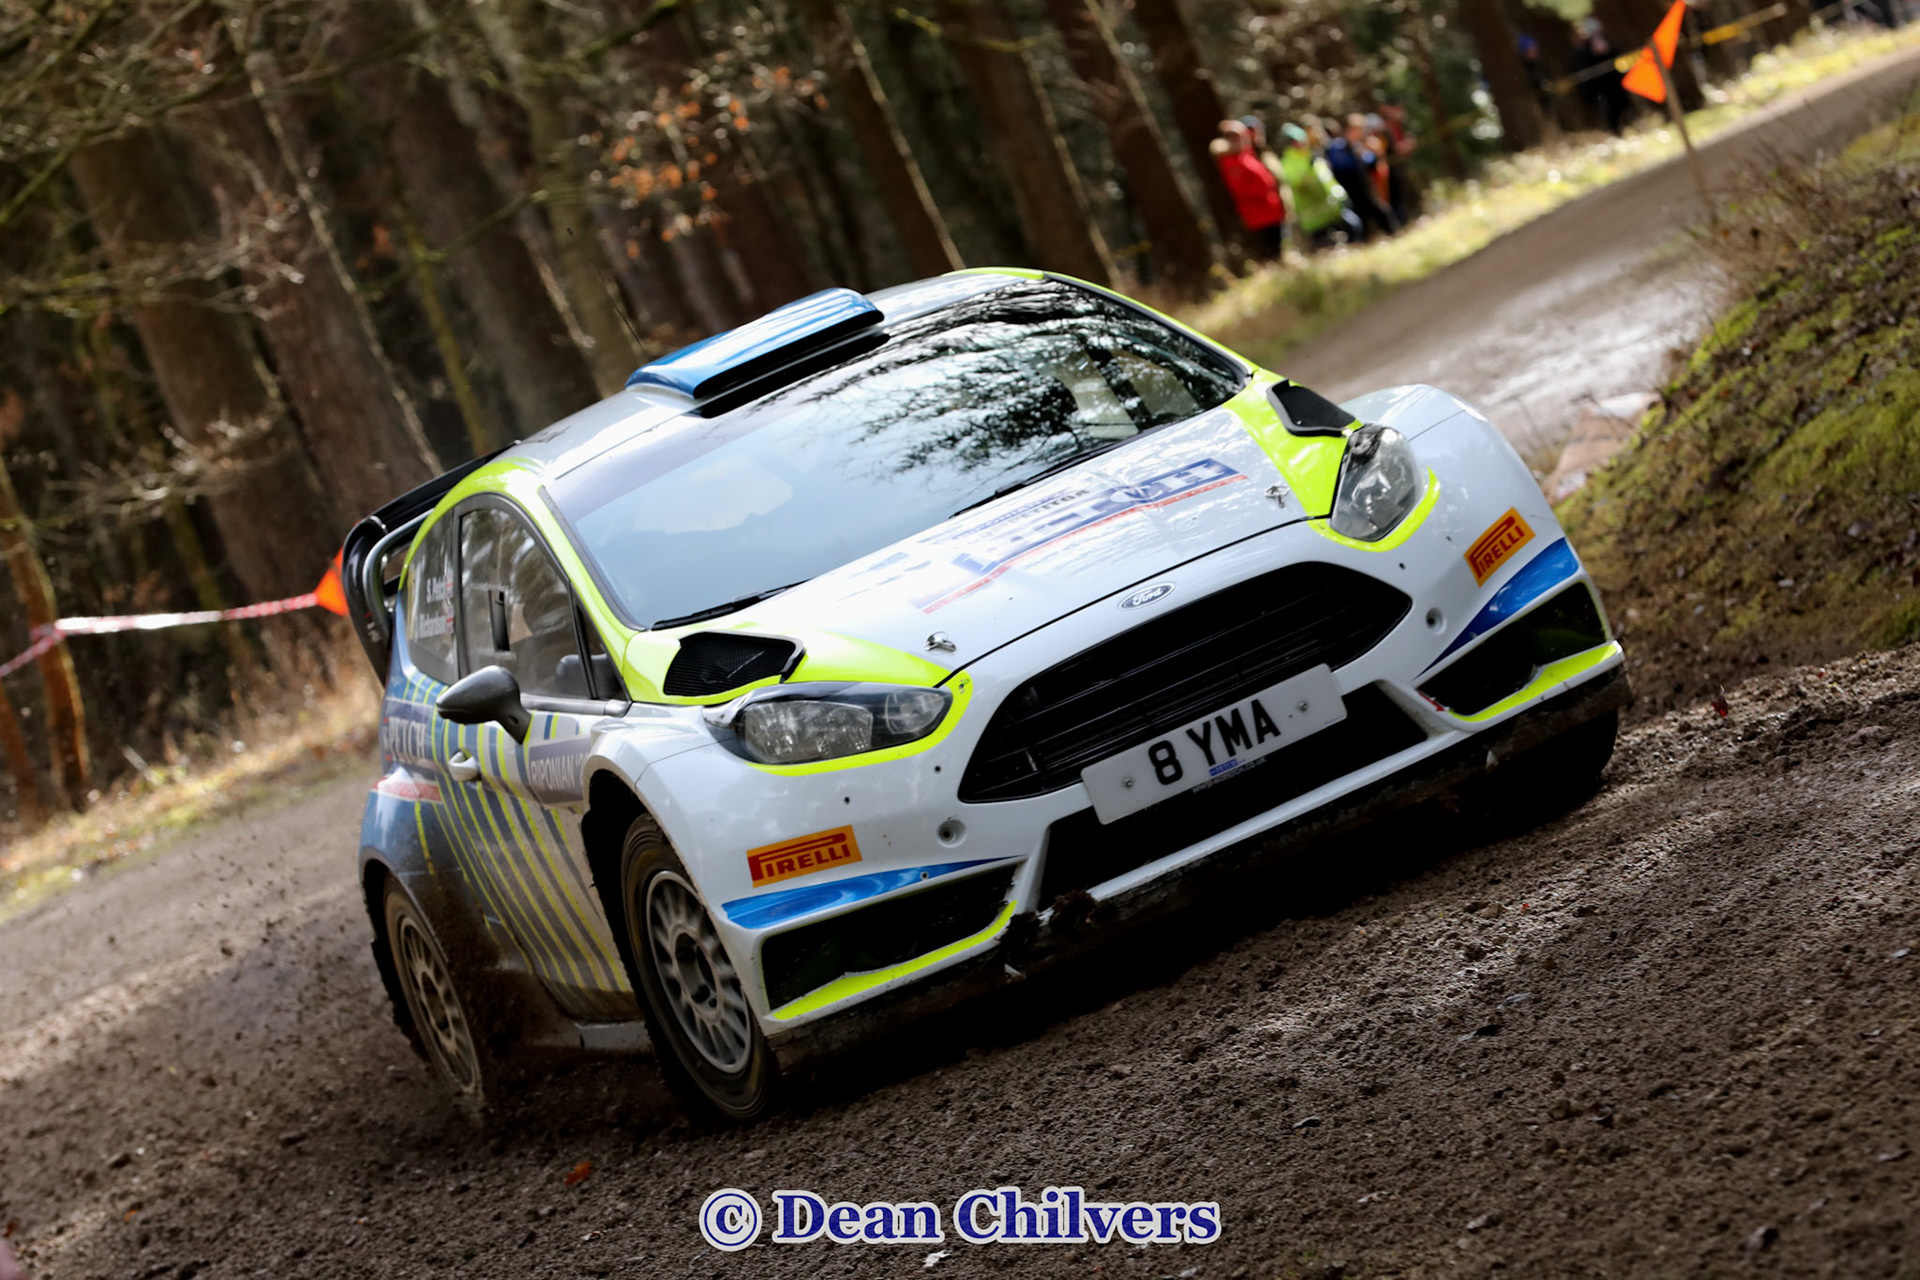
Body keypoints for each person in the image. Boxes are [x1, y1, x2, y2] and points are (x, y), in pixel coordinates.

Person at [1211, 119, 1287, 259]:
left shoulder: (1246, 155)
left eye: (1242, 135)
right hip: (1259, 215)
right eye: (1234, 137)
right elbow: (1240, 189)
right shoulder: (1230, 162)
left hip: (1271, 210)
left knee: (1280, 249)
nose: (1241, 139)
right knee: (1271, 253)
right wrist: (1264, 189)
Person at [1276, 123, 1361, 249]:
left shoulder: (1312, 155)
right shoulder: (1287, 162)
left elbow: (1328, 179)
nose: (1299, 144)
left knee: (1354, 227)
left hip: (1333, 207)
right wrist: (1308, 170)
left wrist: (1341, 195)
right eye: (1294, 141)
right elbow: (1296, 183)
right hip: (1314, 217)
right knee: (1326, 245)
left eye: (1301, 140)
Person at [1323, 113, 1400, 240]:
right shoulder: (1336, 147)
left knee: (1381, 213)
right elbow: (1338, 164)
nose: (1360, 133)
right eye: (1358, 130)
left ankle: (1395, 235)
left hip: (1363, 190)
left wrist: (1377, 153)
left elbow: (1371, 164)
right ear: (1349, 130)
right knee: (1357, 223)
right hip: (1346, 191)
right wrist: (1356, 155)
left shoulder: (1361, 147)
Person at [1570, 19, 1631, 134]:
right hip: (1599, 89)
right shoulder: (1582, 53)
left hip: (1614, 84)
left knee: (1621, 105)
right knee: (1608, 110)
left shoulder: (1606, 44)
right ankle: (1613, 130)